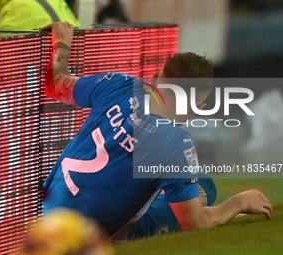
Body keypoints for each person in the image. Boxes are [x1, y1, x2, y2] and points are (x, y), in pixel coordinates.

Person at [40, 22, 273, 241]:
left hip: (46, 217)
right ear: (197, 108)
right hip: (89, 240)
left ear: (155, 79)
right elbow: (195, 223)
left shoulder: (118, 84)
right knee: (203, 185)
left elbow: (56, 83)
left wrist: (61, 41)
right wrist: (237, 203)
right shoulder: (176, 143)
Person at [0, 0, 80, 31]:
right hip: (76, 62)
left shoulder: (14, 8)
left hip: (39, 69)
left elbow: (3, 53)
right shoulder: (55, 1)